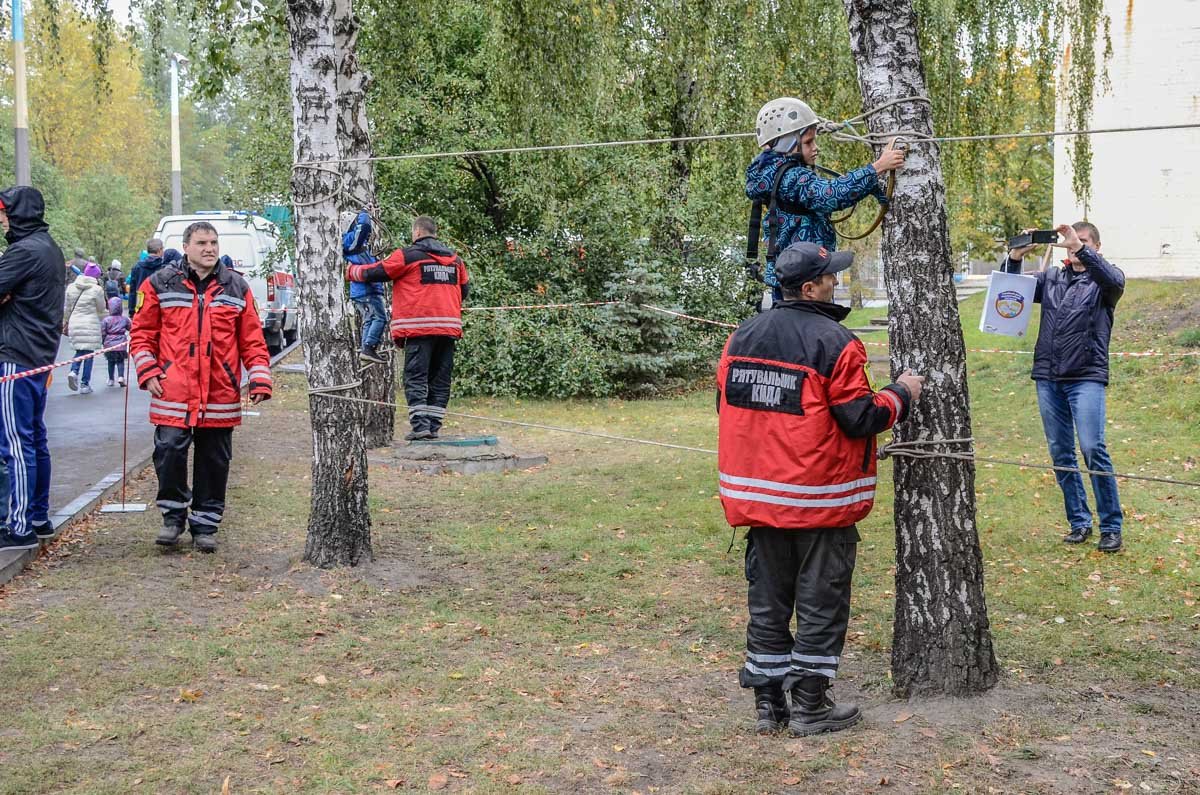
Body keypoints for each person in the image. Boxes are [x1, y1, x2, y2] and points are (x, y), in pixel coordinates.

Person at [716, 241, 925, 737]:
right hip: (817, 498)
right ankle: (810, 706)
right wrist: (902, 394)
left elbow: (728, 408)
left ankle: (769, 708)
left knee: (767, 603)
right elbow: (859, 418)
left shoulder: (741, 335)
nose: (837, 282)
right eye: (830, 276)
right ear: (809, 288)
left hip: (759, 499)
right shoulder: (837, 342)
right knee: (820, 603)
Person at [130, 221, 272, 553]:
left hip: (219, 390)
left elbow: (253, 340)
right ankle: (173, 516)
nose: (209, 248)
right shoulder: (159, 284)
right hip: (173, 388)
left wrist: (260, 376)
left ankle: (206, 523)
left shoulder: (237, 287)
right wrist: (148, 370)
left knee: (214, 459)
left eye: (213, 242)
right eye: (202, 242)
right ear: (187, 247)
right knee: (168, 451)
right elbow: (142, 333)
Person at [1006, 222, 1125, 553]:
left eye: (1083, 242)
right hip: (1048, 377)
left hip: (1086, 376)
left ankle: (1111, 526)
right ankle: (1079, 521)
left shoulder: (1106, 280)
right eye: (1070, 241)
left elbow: (1113, 280)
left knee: (1091, 448)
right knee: (1061, 453)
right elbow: (1009, 292)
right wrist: (1015, 257)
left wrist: (1079, 247)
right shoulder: (1051, 278)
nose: (1073, 246)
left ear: (1096, 248)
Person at [746, 97, 905, 301]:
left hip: (795, 276)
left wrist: (871, 185)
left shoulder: (774, 173)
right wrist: (878, 168)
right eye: (808, 142)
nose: (815, 148)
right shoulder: (791, 177)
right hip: (805, 282)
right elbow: (829, 195)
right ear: (787, 144)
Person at [346, 215, 469, 441]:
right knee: (440, 380)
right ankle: (433, 426)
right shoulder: (456, 261)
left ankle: (420, 426)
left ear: (418, 233)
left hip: (418, 328)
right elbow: (464, 290)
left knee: (416, 377)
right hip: (449, 328)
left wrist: (352, 272)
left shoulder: (408, 255)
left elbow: (378, 272)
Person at [0, 186, 66, 551]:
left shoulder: (22, 251)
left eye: (5, 212)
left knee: (15, 441)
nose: (2, 219)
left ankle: (19, 524)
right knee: (34, 438)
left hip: (15, 355)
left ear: (18, 213)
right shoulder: (48, 246)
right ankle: (38, 516)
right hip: (39, 355)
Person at [342, 209, 388, 364]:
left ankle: (365, 349)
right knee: (380, 317)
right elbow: (364, 227)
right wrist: (364, 213)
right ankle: (369, 346)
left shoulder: (358, 246)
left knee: (370, 319)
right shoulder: (351, 242)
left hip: (363, 291)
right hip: (366, 290)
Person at [63, 263, 108, 394]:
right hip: (90, 323)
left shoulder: (71, 287)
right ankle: (84, 383)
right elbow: (101, 308)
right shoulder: (97, 290)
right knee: (89, 353)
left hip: (74, 322)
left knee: (80, 349)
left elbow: (67, 308)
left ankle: (74, 371)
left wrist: (65, 321)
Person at [101, 297, 131, 387]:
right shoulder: (124, 319)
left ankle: (111, 379)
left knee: (110, 362)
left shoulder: (106, 320)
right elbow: (130, 328)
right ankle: (121, 376)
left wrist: (103, 341)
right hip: (121, 342)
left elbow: (103, 332)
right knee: (120, 361)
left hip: (109, 343)